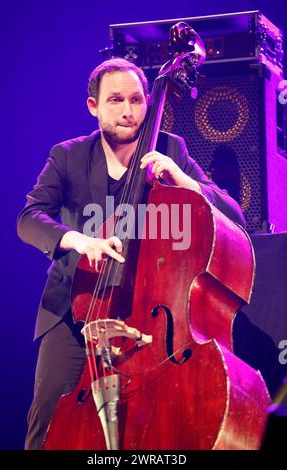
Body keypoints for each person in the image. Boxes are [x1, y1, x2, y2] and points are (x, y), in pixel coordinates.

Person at [17, 58, 246, 450]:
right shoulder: (68, 156)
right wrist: (80, 240)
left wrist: (184, 179)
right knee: (49, 417)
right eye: (116, 100)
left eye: (137, 100)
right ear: (93, 106)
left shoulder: (170, 148)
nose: (128, 111)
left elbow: (234, 216)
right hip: (77, 311)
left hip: (150, 313)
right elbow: (29, 218)